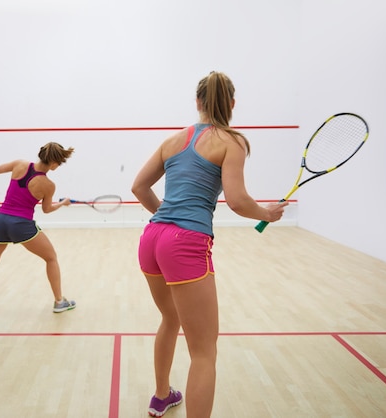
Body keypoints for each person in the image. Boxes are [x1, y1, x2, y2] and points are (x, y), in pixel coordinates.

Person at [131, 71, 288, 417]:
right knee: (204, 352)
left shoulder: (173, 141)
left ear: (198, 102)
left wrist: (167, 220)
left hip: (152, 238)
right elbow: (236, 200)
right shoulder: (232, 142)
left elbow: (138, 187)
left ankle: (161, 396)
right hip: (184, 244)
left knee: (169, 320)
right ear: (232, 104)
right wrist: (268, 213)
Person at [0, 142, 77, 322]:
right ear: (54, 163)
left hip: (0, 221)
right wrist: (63, 203)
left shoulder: (19, 164)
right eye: (59, 163)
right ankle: (59, 301)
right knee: (51, 258)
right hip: (21, 225)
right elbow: (46, 210)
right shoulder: (48, 185)